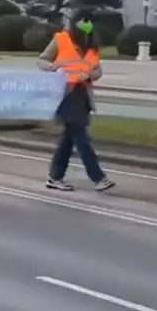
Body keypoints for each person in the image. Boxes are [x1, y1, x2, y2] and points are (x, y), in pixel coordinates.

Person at [39, 12, 115, 192]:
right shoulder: (61, 39)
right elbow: (42, 60)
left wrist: (90, 74)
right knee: (80, 137)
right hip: (65, 94)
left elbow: (97, 71)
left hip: (83, 95)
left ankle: (55, 177)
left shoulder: (91, 46)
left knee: (69, 138)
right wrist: (53, 68)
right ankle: (98, 177)